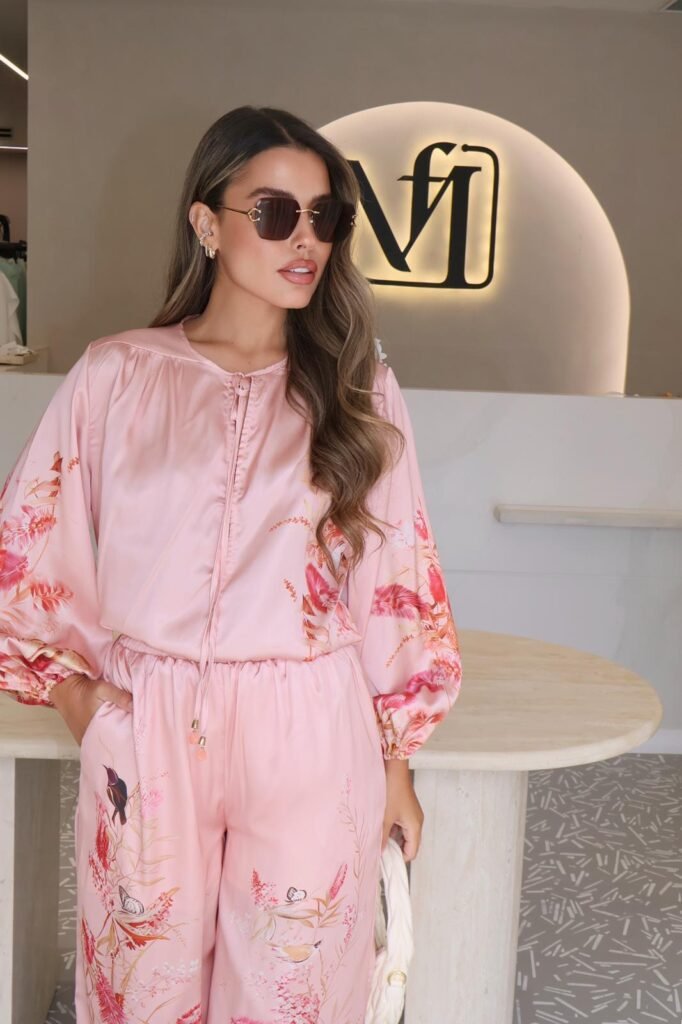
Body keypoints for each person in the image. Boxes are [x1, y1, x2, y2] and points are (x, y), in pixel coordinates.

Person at [0, 106, 462, 1024]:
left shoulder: (359, 389)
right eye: (275, 212)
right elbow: (33, 546)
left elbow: (396, 580)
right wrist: (84, 703)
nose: (306, 240)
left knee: (293, 991)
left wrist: (397, 764)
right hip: (150, 723)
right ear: (207, 223)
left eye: (326, 217)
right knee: (141, 987)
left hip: (310, 727)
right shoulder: (118, 375)